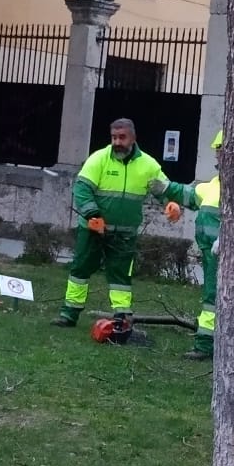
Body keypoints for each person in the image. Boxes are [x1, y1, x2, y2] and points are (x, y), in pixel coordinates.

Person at [55, 117, 181, 332]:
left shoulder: (148, 165)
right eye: (114, 137)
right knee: (81, 269)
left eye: (122, 137)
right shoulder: (99, 159)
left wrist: (171, 204)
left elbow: (163, 190)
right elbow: (82, 189)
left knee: (121, 275)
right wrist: (92, 214)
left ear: (133, 138)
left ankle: (121, 315)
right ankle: (69, 313)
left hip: (124, 234)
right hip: (93, 228)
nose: (117, 141)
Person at [157, 129, 222, 360]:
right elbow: (187, 194)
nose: (219, 157)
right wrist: (162, 189)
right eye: (218, 152)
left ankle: (205, 345)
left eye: (222, 151)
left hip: (225, 255)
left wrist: (225, 239)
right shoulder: (213, 185)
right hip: (212, 253)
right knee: (212, 296)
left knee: (213, 298)